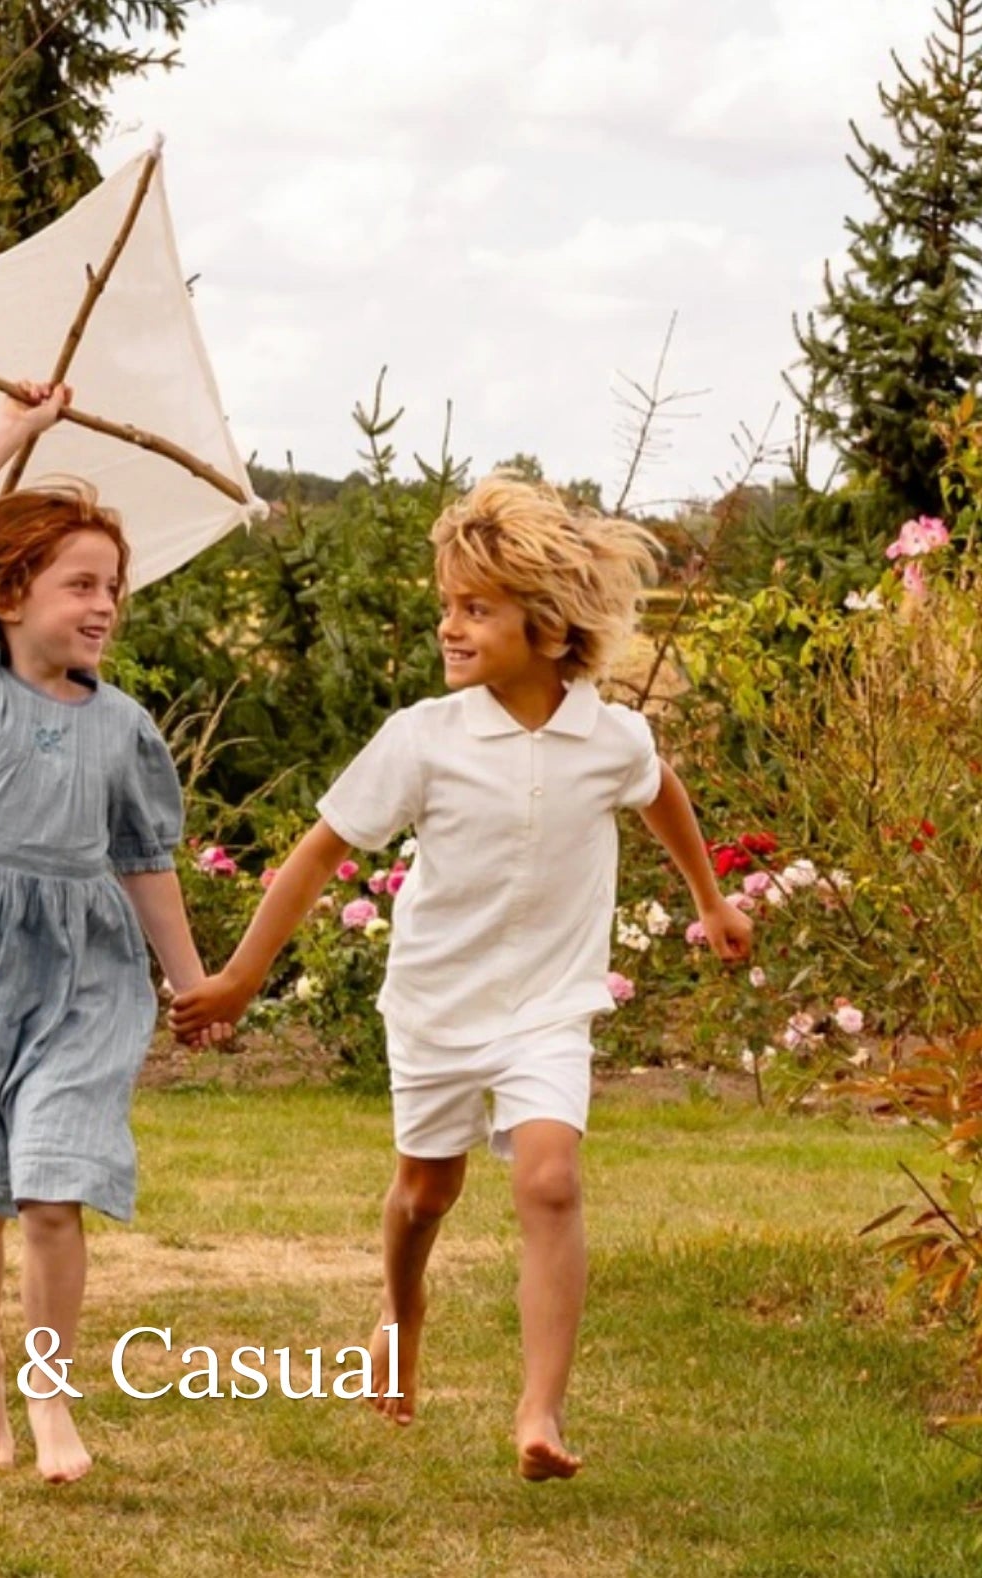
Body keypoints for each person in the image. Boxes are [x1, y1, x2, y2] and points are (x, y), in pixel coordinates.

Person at [170, 474, 753, 1481]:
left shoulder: (608, 736)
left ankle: (541, 1412)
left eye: (474, 608)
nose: (450, 626)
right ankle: (400, 1314)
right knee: (427, 1190)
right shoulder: (425, 741)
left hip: (549, 1006)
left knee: (550, 1179)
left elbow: (662, 793)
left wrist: (710, 898)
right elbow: (317, 856)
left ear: (548, 623)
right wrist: (236, 978)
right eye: (446, 606)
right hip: (438, 1001)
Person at [0, 382, 226, 1484]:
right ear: (10, 594)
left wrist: (191, 982)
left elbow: (145, 861)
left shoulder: (123, 729)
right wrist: (15, 432)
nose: (105, 603)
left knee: (54, 1184)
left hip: (80, 971)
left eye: (114, 585)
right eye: (80, 583)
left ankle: (53, 1392)